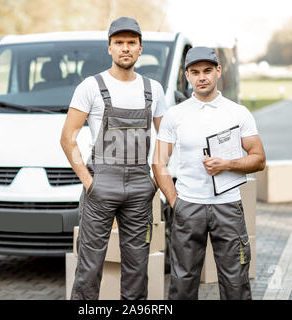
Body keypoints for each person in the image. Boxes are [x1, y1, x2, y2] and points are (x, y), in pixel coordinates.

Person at [60, 17, 167, 300]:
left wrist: (156, 180)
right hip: (100, 186)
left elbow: (167, 139)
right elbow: (68, 138)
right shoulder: (91, 87)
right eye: (119, 43)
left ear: (140, 48)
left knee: (137, 268)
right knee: (89, 267)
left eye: (131, 43)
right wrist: (88, 181)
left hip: (139, 188)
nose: (125, 48)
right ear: (109, 48)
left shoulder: (153, 89)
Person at [152, 46, 266, 300]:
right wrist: (175, 202)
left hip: (228, 206)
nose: (201, 77)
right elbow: (158, 162)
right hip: (188, 207)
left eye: (207, 71)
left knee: (236, 283)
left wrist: (227, 164)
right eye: (194, 72)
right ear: (187, 76)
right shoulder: (175, 115)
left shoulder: (237, 113)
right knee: (182, 284)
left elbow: (259, 159)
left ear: (218, 71)